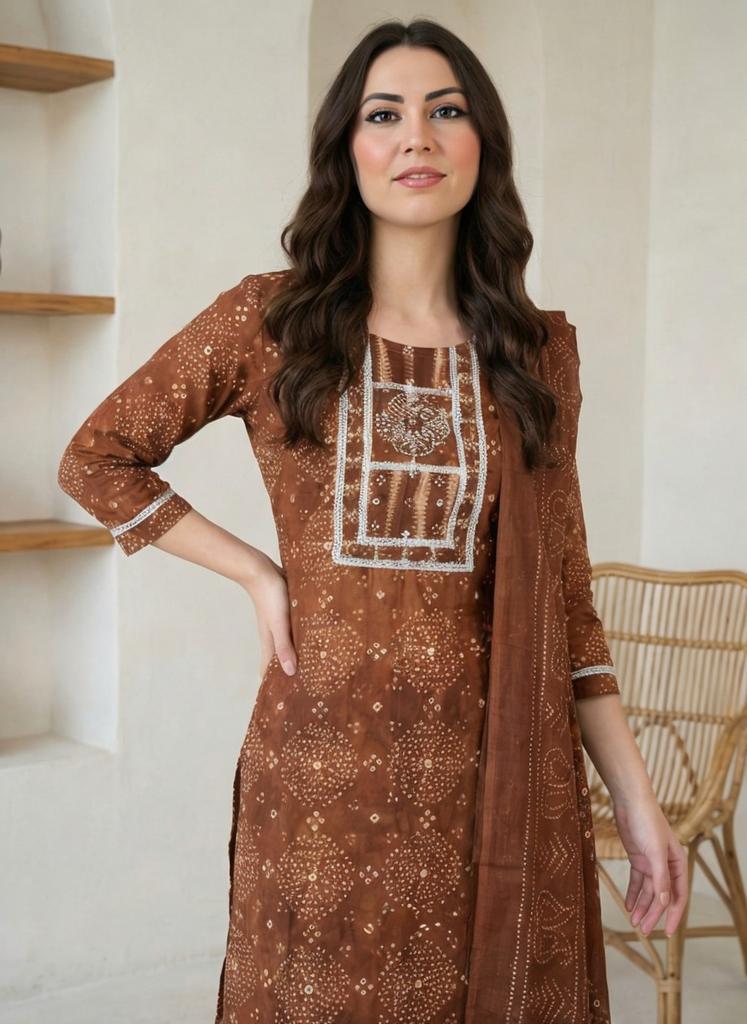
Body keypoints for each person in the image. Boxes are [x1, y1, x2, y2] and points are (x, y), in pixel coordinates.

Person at [57, 18, 688, 1024]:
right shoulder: (273, 323)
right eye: (383, 115)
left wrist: (636, 801)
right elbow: (97, 457)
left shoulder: (532, 358)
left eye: (447, 111)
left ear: (483, 144)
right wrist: (257, 574)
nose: (416, 137)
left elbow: (568, 607)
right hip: (320, 789)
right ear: (346, 150)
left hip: (494, 788)